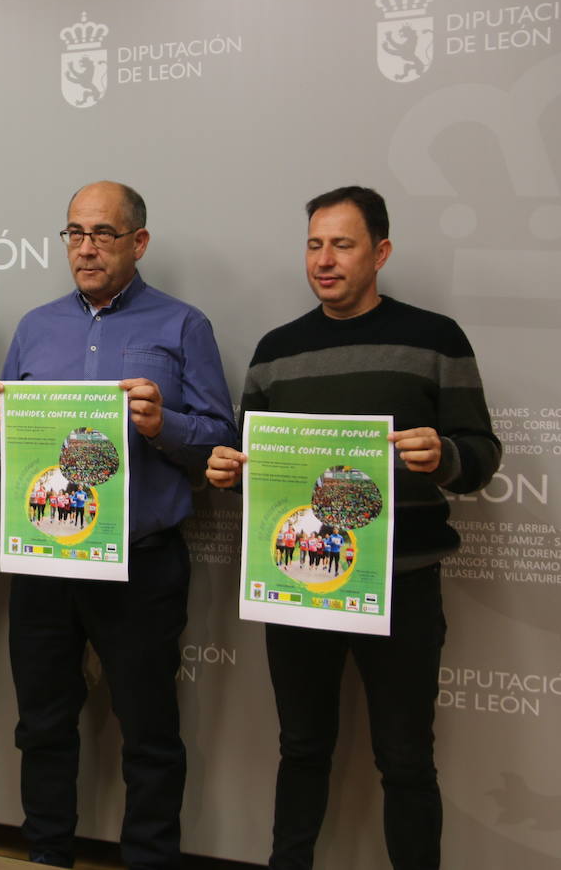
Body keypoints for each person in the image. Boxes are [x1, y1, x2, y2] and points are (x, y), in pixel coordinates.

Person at [205, 185, 500, 870]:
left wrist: (446, 456)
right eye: (314, 244)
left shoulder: (435, 339)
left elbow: (479, 453)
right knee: (301, 748)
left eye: (343, 244)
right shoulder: (276, 350)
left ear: (381, 253)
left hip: (401, 587)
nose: (325, 260)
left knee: (404, 760)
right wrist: (228, 468)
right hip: (298, 586)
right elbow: (258, 465)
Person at [0, 181, 236, 868]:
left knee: (149, 732)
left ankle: (150, 859)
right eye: (74, 234)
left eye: (103, 234)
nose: (86, 248)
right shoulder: (34, 327)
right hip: (44, 559)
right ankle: (47, 854)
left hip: (141, 563)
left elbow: (220, 444)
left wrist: (164, 424)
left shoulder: (184, 326)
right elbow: (8, 448)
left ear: (138, 243)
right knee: (41, 725)